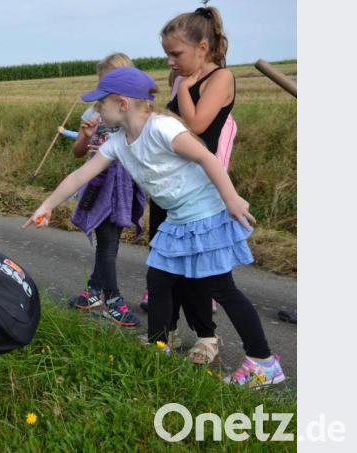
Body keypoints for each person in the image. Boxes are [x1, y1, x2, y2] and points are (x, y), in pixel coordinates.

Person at [24, 67, 285, 388]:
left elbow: (208, 158)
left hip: (206, 215)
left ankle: (263, 361)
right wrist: (47, 205)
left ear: (121, 104)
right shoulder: (119, 142)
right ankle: (158, 346)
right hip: (179, 220)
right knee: (158, 280)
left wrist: (231, 199)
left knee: (221, 288)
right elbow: (80, 176)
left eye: (99, 104)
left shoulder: (162, 127)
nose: (95, 110)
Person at [139, 4, 240, 365]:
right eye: (166, 54)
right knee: (165, 265)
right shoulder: (183, 78)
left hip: (200, 190)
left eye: (175, 53)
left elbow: (195, 125)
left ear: (202, 47)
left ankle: (207, 336)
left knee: (197, 268)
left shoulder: (220, 79)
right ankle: (164, 331)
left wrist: (183, 87)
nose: (170, 61)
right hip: (170, 186)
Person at [62, 53, 145, 329]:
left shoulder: (133, 114)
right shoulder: (93, 112)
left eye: (105, 84)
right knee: (107, 242)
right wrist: (85, 136)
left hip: (123, 186)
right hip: (98, 186)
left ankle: (93, 292)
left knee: (111, 242)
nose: (101, 91)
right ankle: (113, 300)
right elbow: (77, 153)